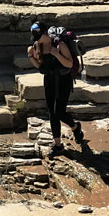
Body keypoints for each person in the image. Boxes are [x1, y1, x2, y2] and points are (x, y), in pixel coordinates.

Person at [27, 19, 85, 156]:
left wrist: (56, 54)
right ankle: (58, 145)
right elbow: (41, 67)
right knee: (51, 113)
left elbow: (69, 64)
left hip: (64, 81)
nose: (36, 40)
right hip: (49, 80)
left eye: (38, 36)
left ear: (45, 33)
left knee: (59, 112)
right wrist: (31, 57)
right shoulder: (37, 45)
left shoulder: (59, 44)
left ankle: (75, 127)